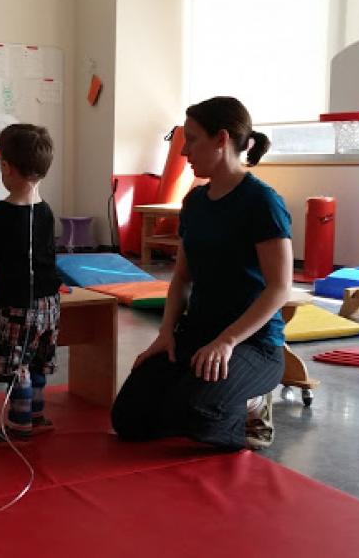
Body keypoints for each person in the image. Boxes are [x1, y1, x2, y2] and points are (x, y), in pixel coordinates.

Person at [110, 96, 293, 451]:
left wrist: (227, 341)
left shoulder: (262, 202)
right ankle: (203, 399)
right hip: (196, 335)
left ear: (221, 139)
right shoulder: (195, 202)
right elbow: (182, 278)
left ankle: (254, 402)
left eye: (191, 140)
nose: (184, 152)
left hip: (252, 345)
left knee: (198, 415)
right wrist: (165, 333)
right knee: (128, 420)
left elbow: (280, 287)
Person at [0, 124, 61, 445]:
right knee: (36, 362)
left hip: (17, 305)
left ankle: (19, 425)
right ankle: (36, 415)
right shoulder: (46, 211)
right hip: (49, 303)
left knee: (17, 364)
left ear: (5, 168)